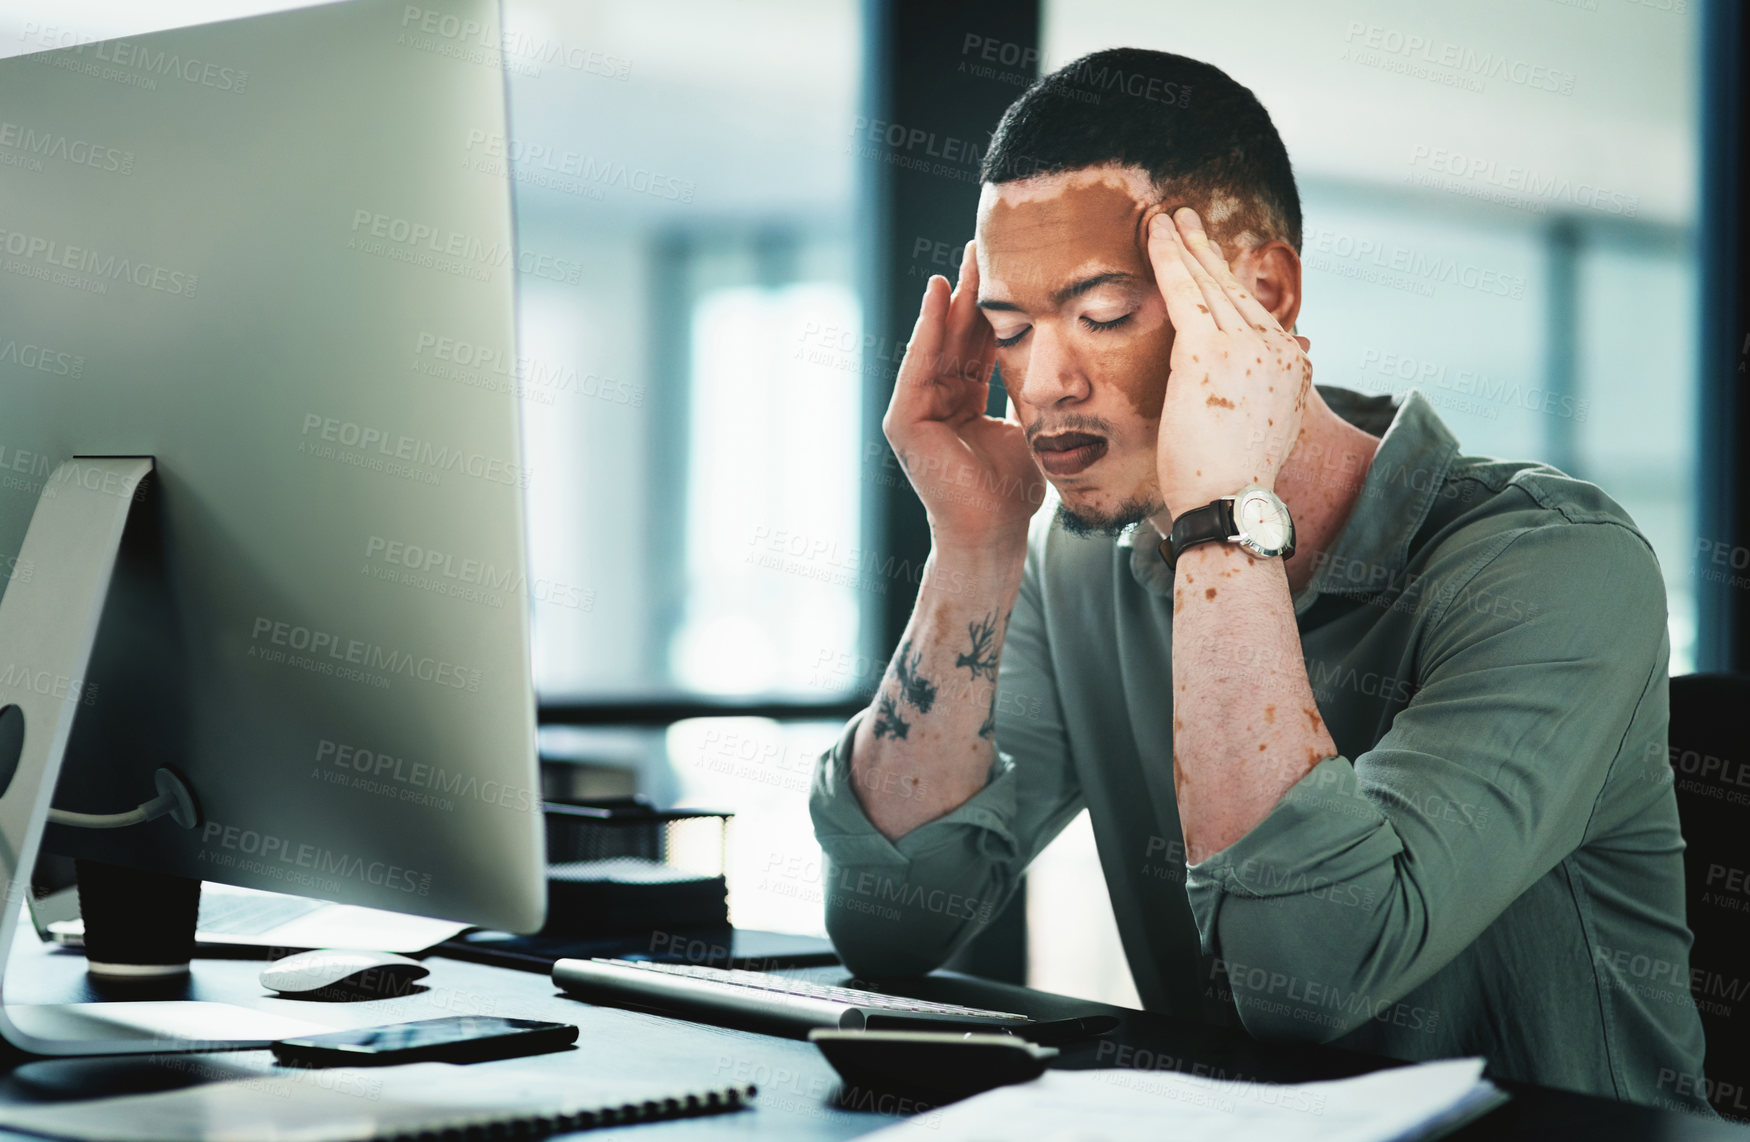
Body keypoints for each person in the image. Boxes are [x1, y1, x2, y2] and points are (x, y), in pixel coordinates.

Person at [808, 47, 1709, 1112]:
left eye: (1101, 315)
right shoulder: (1081, 563)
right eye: (1009, 330)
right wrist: (972, 540)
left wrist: (1224, 511)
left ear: (1263, 295)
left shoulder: (1556, 565)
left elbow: (1309, 980)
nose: (1042, 381)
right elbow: (888, 918)